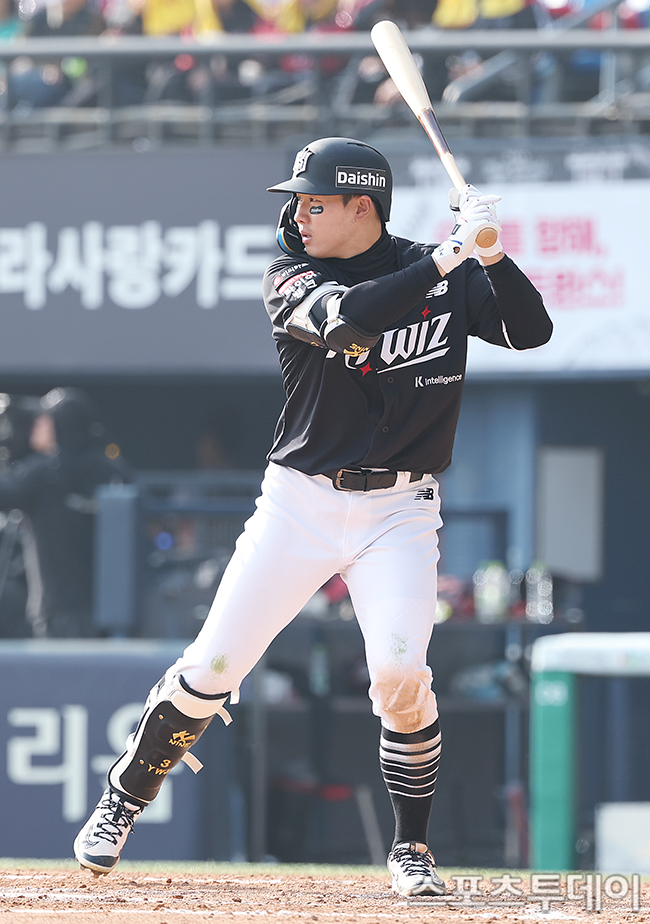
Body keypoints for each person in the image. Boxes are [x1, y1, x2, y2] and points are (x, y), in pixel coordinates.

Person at [73, 137, 552, 895]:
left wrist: (491, 254)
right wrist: (449, 256)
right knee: (215, 665)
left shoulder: (445, 268)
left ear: (363, 207)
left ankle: (412, 849)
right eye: (297, 200)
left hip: (400, 508)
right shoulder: (290, 273)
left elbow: (531, 331)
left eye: (314, 202)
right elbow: (348, 323)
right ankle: (121, 801)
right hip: (300, 501)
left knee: (401, 674)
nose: (298, 214)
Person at [0, 387, 131, 638]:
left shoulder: (44, 473)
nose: (36, 425)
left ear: (60, 424)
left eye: (45, 419)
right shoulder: (111, 469)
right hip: (109, 611)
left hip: (59, 611)